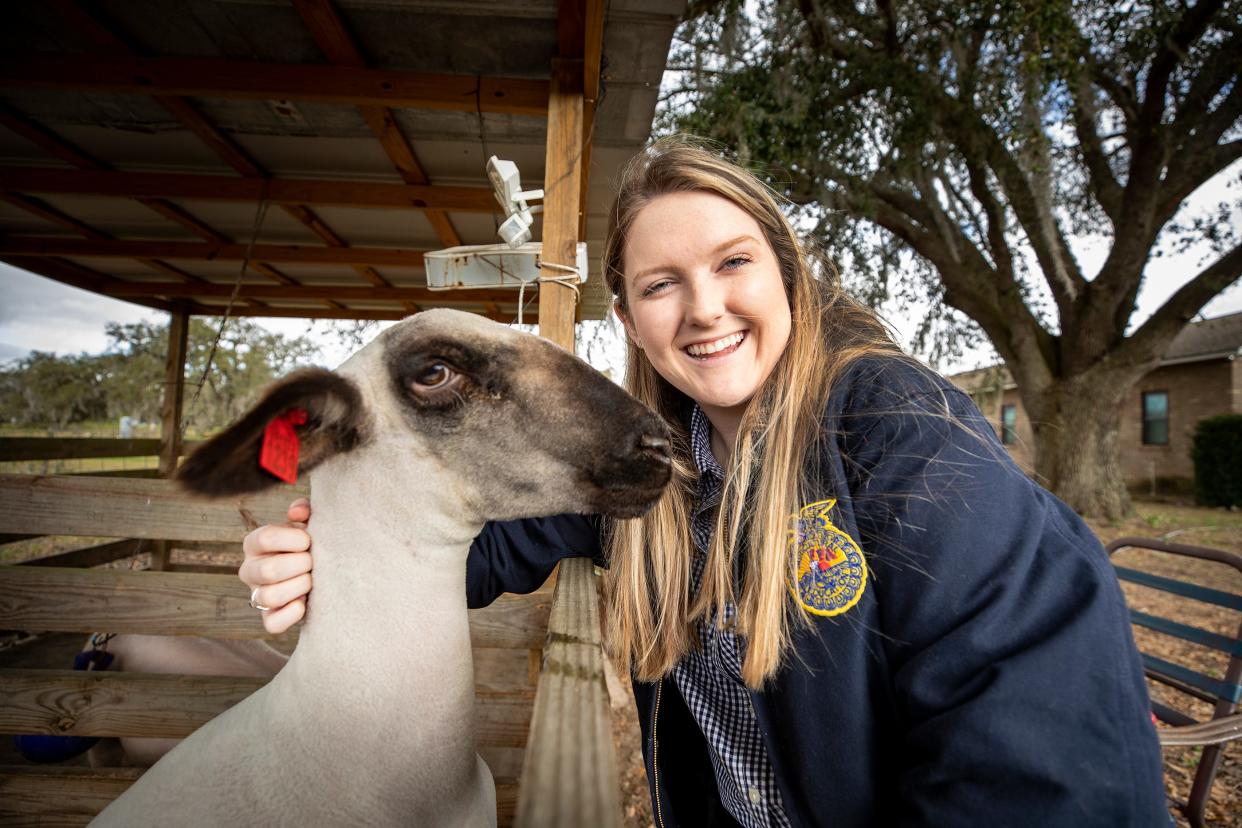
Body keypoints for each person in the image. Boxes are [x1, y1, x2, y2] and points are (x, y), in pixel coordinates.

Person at [240, 136, 1167, 826]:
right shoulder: (642, 474)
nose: (706, 307)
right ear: (631, 320)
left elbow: (1035, 749)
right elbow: (466, 548)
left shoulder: (896, 429)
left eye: (733, 263)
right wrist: (318, 549)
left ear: (788, 277)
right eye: (661, 285)